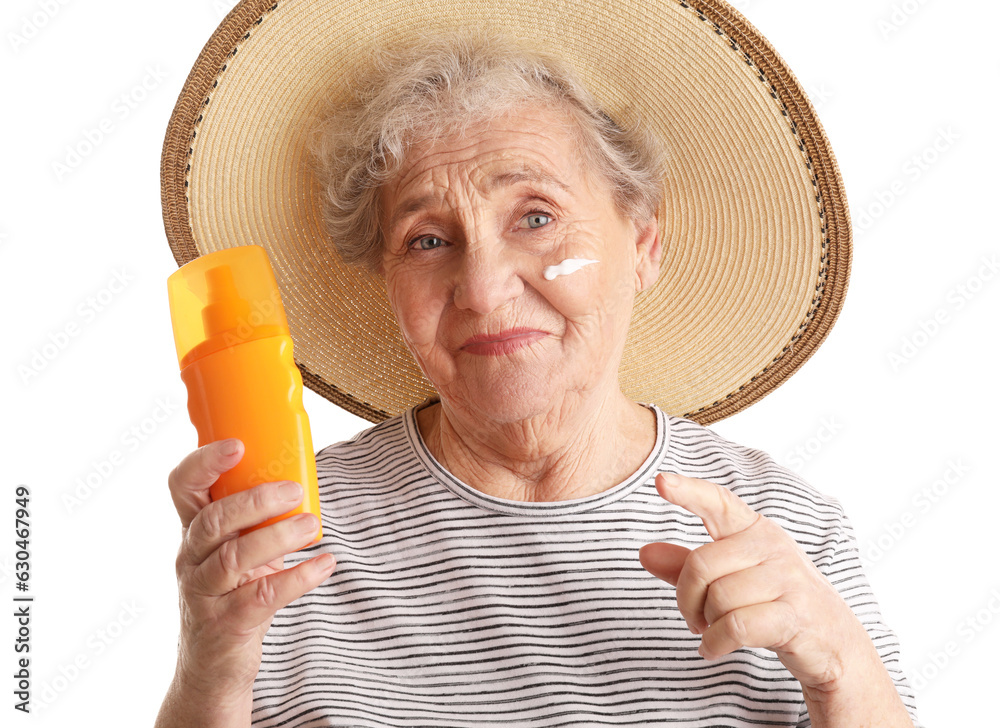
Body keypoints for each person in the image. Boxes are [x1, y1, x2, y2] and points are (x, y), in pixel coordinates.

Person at [155, 2, 921, 726]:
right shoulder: (285, 538)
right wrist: (212, 661)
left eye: (536, 217)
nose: (484, 291)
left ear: (644, 244)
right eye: (427, 238)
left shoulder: (788, 530)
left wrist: (840, 668)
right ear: (387, 278)